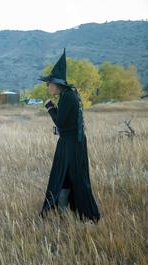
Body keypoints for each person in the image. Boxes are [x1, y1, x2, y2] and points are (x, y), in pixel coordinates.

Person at [39, 49, 100, 223]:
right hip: (71, 142)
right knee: (65, 174)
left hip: (71, 144)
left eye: (49, 83)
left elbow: (60, 121)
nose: (47, 86)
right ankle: (62, 207)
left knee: (76, 176)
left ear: (57, 84)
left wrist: (50, 107)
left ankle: (87, 213)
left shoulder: (67, 97)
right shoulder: (70, 95)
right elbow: (66, 122)